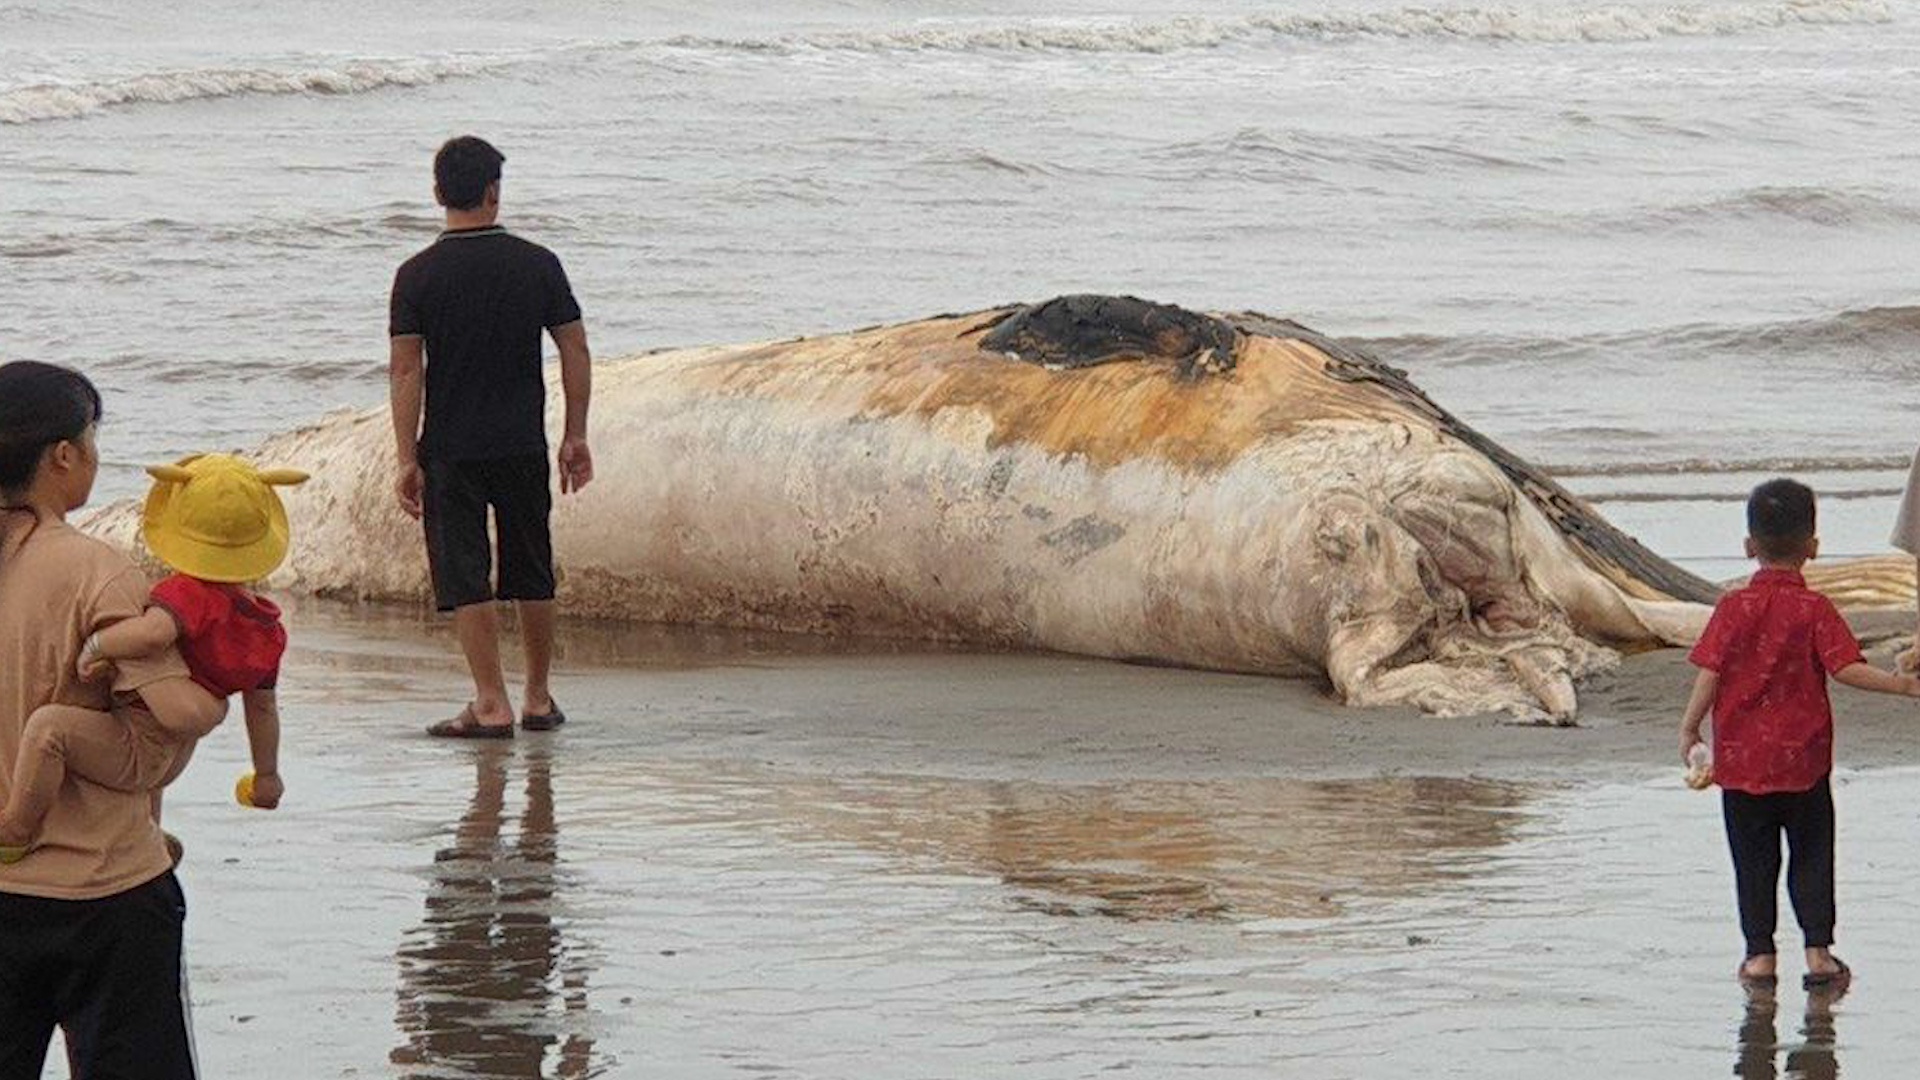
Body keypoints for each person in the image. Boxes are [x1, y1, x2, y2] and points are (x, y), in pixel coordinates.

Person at [0, 361, 224, 1078]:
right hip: (106, 893)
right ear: (63, 456)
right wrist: (226, 690)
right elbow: (168, 722)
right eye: (92, 439)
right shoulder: (99, 572)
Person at [0, 453, 303, 864]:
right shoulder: (266, 629)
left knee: (49, 730)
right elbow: (262, 708)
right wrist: (266, 776)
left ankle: (16, 828)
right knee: (150, 778)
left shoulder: (187, 594)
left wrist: (98, 645)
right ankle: (151, 839)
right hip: (178, 753)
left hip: (139, 739)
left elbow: (153, 633)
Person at [1679, 478, 1920, 992]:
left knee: (1752, 860)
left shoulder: (1731, 608)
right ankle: (1819, 954)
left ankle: (1759, 957)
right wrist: (1902, 686)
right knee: (1812, 855)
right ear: (1813, 546)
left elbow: (1710, 672)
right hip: (1804, 764)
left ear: (1749, 546)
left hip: (1741, 766)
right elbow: (1846, 668)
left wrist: (1689, 726)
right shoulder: (1815, 610)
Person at [389, 134, 593, 738]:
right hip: (521, 440)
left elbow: (406, 370)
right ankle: (538, 697)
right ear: (493, 192)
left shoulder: (416, 276)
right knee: (532, 564)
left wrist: (405, 456)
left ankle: (490, 702)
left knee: (465, 572)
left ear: (437, 193)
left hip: (450, 447)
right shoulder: (537, 263)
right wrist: (575, 434)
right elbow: (575, 348)